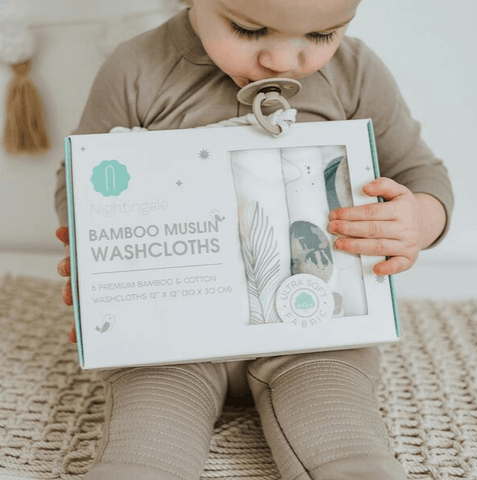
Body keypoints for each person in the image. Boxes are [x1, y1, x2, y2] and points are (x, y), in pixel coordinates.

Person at [54, 0, 454, 478]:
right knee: (143, 447)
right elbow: (81, 173)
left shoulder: (357, 71)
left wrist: (418, 219)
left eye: (323, 35)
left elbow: (419, 171)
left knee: (346, 440)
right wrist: (93, 247)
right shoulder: (137, 66)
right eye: (247, 28)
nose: (283, 61)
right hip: (170, 334)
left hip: (315, 332)